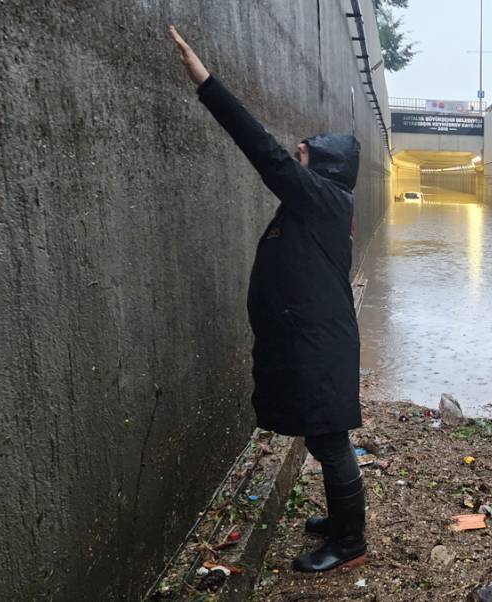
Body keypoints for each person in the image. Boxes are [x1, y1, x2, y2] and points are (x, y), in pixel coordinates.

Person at [168, 26, 365, 573]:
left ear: (323, 165)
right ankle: (340, 520)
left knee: (329, 441)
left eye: (304, 153)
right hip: (313, 339)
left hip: (320, 344)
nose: (295, 155)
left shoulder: (322, 198)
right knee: (325, 436)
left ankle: (350, 544)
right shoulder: (317, 205)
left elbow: (263, 153)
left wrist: (205, 82)